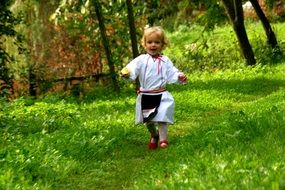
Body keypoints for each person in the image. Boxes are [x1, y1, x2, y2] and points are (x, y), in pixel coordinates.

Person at [120, 26, 187, 149]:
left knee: (162, 117)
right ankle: (154, 135)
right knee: (149, 121)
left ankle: (163, 140)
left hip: (161, 94)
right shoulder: (141, 60)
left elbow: (172, 72)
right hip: (147, 95)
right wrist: (127, 71)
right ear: (145, 44)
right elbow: (132, 67)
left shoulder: (165, 61)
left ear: (162, 44)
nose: (153, 45)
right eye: (150, 42)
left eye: (157, 42)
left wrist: (179, 76)